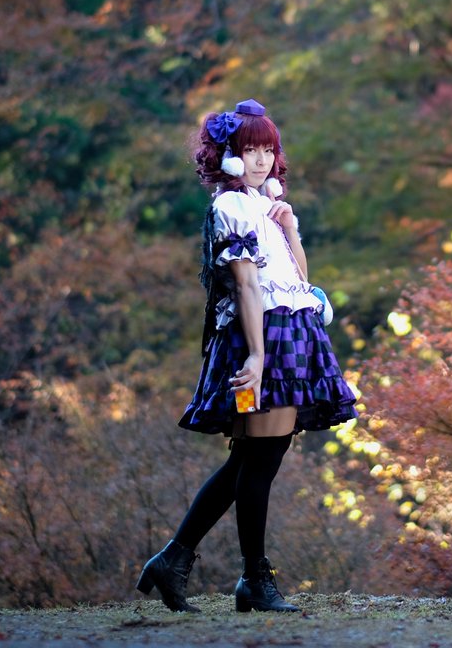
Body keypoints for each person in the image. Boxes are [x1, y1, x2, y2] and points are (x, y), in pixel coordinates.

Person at [136, 98, 359, 613]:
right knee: (259, 460)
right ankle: (251, 579)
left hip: (292, 332)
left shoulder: (264, 205)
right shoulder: (232, 206)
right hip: (262, 337)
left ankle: (176, 560)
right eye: (250, 150)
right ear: (229, 157)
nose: (261, 160)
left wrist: (290, 228)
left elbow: (298, 278)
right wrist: (257, 358)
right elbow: (246, 287)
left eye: (268, 150)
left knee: (254, 458)